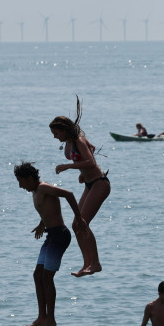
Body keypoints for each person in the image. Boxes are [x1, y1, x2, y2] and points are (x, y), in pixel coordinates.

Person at [14, 162, 88, 326]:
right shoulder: (35, 192)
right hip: (51, 235)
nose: (20, 185)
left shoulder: (44, 188)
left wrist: (79, 218)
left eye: (21, 181)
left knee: (47, 277)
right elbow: (47, 210)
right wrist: (42, 224)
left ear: (30, 178)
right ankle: (42, 316)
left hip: (60, 235)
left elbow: (69, 194)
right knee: (37, 274)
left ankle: (51, 320)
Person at [49, 98, 107, 277]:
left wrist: (69, 167)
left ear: (64, 130)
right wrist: (82, 173)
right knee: (76, 224)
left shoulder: (78, 140)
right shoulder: (70, 144)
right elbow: (89, 153)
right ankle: (87, 263)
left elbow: (90, 161)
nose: (54, 136)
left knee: (83, 223)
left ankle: (95, 263)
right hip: (90, 184)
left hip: (100, 183)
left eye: (56, 133)